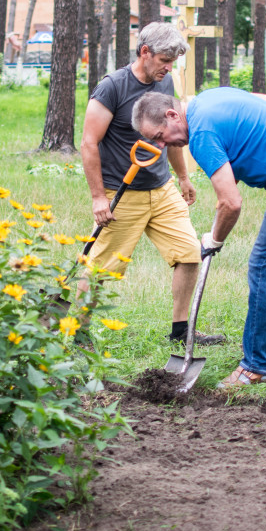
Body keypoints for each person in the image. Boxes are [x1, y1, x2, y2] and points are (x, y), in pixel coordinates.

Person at [132, 88, 266, 388]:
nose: (162, 145)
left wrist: (214, 239)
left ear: (173, 115)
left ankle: (255, 367)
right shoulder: (206, 100)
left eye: (160, 135)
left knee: (264, 266)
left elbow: (231, 203)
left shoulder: (201, 136)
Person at [80, 23, 224, 345]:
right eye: (164, 60)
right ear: (145, 52)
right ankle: (79, 332)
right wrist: (98, 197)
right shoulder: (112, 87)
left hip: (161, 189)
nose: (168, 68)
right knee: (102, 267)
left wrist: (184, 177)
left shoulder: (166, 81)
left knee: (189, 254)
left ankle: (181, 331)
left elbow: (169, 135)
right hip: (121, 194)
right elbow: (89, 143)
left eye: (172, 62)